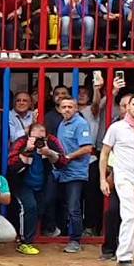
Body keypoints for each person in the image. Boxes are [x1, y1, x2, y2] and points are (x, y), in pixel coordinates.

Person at [99, 93, 134, 266]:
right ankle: (124, 256)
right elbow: (104, 154)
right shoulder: (116, 127)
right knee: (130, 213)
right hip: (123, 175)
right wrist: (103, 179)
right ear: (128, 107)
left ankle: (129, 252)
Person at [7, 122, 66, 256]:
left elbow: (63, 162)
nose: (39, 141)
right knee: (29, 207)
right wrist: (27, 151)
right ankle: (24, 242)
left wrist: (49, 152)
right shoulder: (22, 142)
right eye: (35, 138)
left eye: (42, 138)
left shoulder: (50, 142)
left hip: (42, 183)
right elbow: (12, 165)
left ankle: (33, 234)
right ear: (29, 135)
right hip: (22, 183)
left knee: (40, 207)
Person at [55, 96, 94, 254]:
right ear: (59, 109)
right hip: (61, 171)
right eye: (64, 107)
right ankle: (65, 233)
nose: (67, 110)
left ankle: (75, 240)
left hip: (75, 172)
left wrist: (68, 157)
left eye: (70, 107)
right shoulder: (62, 124)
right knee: (62, 204)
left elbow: (87, 148)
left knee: (74, 208)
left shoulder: (80, 123)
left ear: (76, 109)